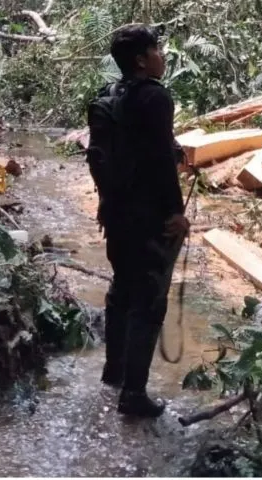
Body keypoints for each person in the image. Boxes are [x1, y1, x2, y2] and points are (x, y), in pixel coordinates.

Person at [94, 24, 190, 418]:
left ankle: (114, 372)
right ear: (140, 59)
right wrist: (176, 213)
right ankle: (133, 395)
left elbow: (103, 157)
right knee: (149, 300)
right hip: (150, 216)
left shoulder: (104, 98)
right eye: (157, 50)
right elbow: (159, 163)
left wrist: (104, 204)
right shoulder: (155, 97)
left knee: (121, 291)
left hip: (115, 213)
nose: (162, 56)